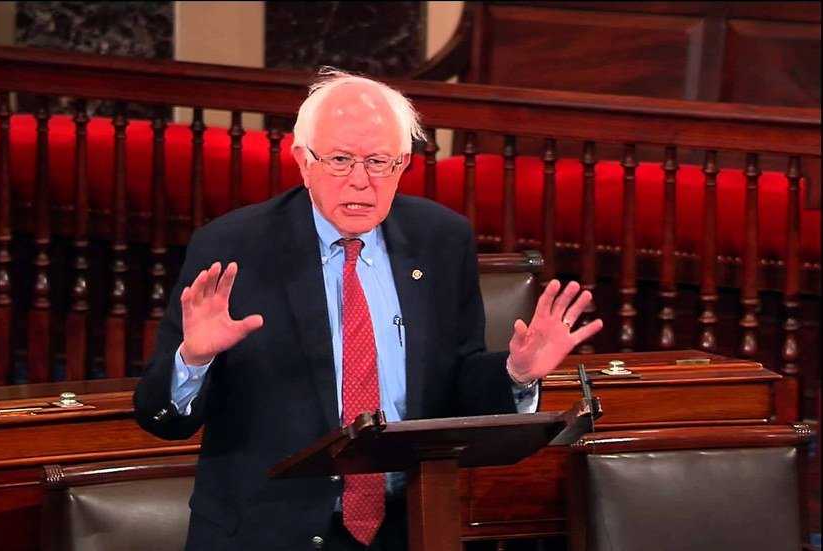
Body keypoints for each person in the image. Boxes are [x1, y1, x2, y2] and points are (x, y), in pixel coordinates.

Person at [134, 68, 602, 551]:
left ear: (402, 165)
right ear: (303, 161)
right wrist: (194, 361)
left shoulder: (440, 240)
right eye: (340, 160)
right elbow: (160, 418)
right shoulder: (233, 247)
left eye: (378, 162)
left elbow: (455, 385)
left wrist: (516, 374)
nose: (361, 181)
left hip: (409, 527)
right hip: (267, 533)